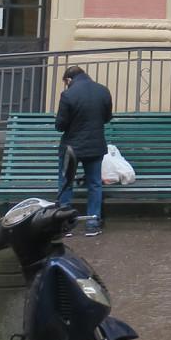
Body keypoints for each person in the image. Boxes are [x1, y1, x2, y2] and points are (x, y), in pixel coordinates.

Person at [55, 66, 113, 236]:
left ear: (69, 79)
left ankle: (65, 223)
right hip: (95, 146)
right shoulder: (103, 91)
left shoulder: (68, 95)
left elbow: (60, 125)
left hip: (71, 148)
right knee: (94, 184)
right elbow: (107, 118)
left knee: (66, 183)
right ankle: (93, 223)